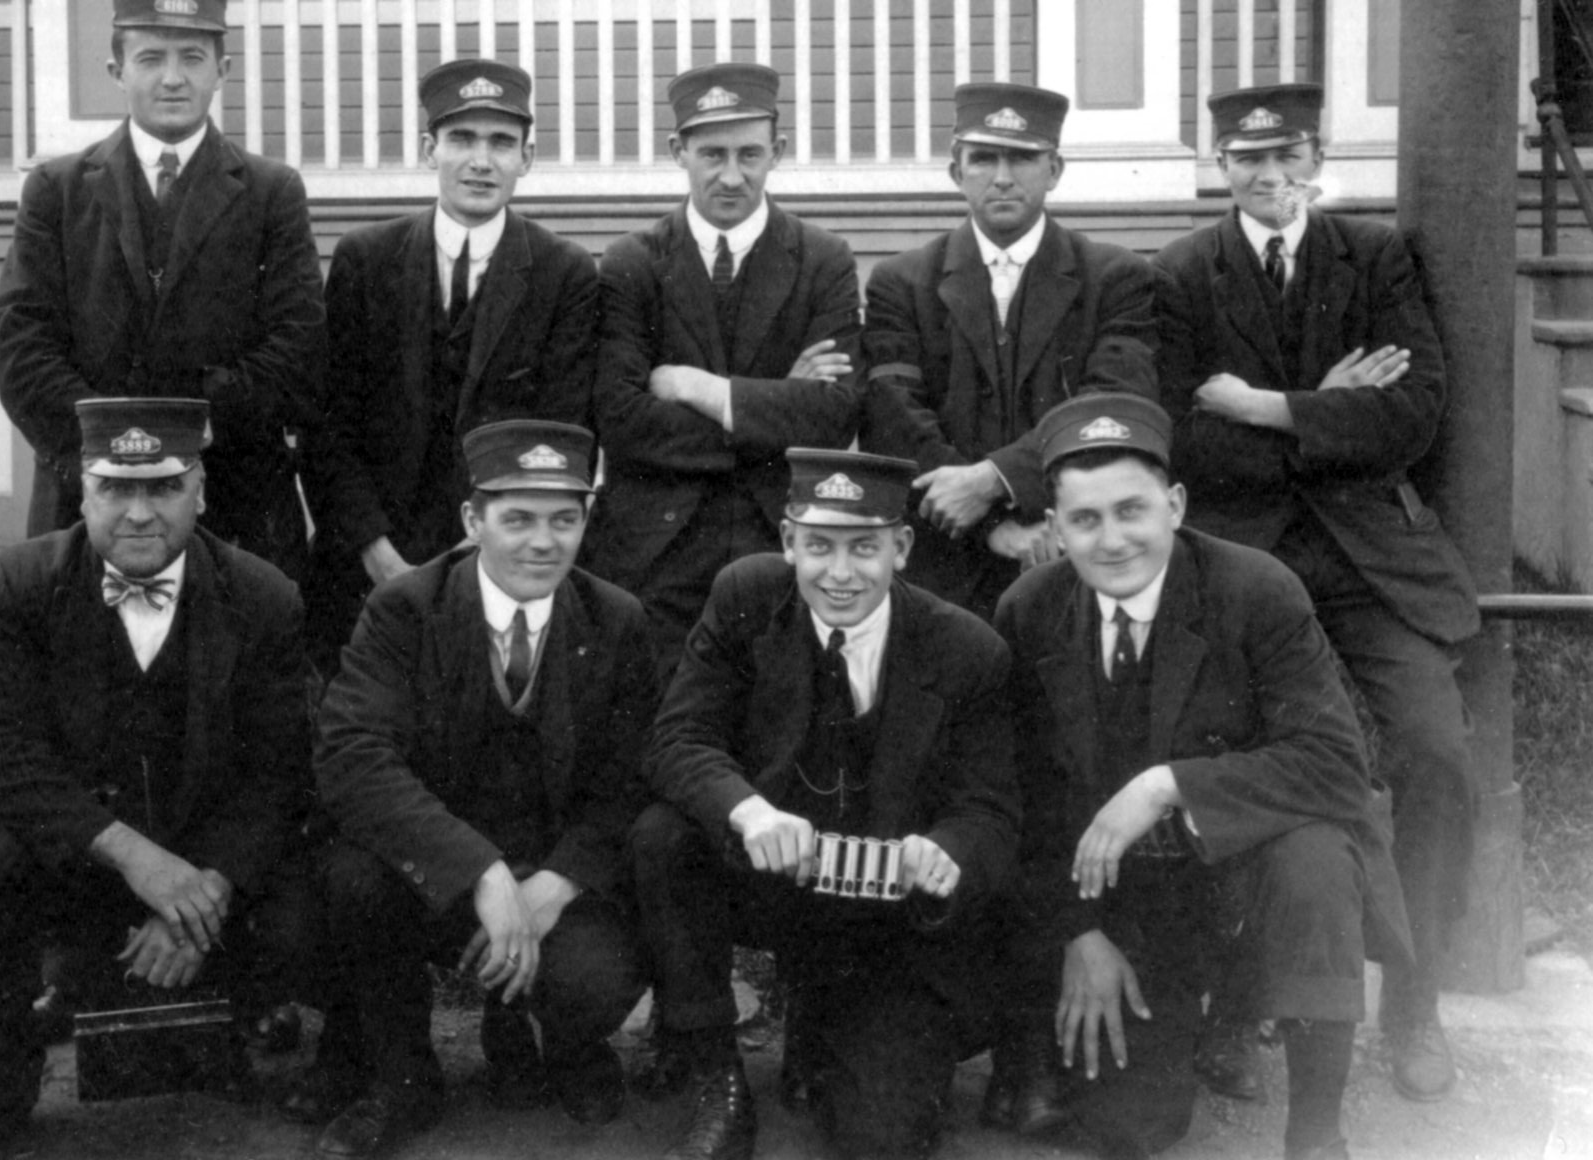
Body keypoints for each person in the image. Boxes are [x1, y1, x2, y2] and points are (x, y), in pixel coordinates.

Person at [1152, 82, 1478, 1103]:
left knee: (1432, 750)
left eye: (1284, 155)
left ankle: (1415, 999)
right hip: (1239, 551)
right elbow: (1178, 439)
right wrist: (1330, 410)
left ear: (1315, 159)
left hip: (1368, 556)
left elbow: (1413, 415)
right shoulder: (1178, 274)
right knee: (1220, 756)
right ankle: (1234, 1000)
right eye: (1243, 158)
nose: (1265, 174)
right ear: (1219, 165)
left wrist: (1269, 407)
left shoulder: (1373, 257)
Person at [993, 394, 1410, 1160]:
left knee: (1315, 857)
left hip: (1240, 881)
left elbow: (1336, 766)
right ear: (1055, 527)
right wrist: (1076, 934)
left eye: (1132, 511)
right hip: (1121, 903)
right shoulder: (1029, 610)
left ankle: (1317, 1134)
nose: (1112, 539)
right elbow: (1019, 799)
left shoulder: (1256, 590)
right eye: (1085, 520)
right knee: (1132, 1128)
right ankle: (1198, 1024)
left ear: (1176, 505)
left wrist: (1165, 783)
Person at [0, 398, 314, 1160]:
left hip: (203, 855)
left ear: (201, 491)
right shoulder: (21, 582)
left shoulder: (264, 596)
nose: (139, 513)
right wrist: (135, 857)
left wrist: (204, 891)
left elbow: (280, 771)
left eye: (163, 489)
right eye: (116, 489)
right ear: (83, 491)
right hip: (69, 851)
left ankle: (251, 1012)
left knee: (311, 901)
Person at [633, 448, 1019, 1160]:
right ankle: (718, 1073)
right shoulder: (746, 595)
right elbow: (677, 740)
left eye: (864, 548)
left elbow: (991, 813)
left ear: (901, 548)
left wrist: (949, 853)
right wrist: (749, 811)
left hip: (882, 915)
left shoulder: (966, 649)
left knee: (885, 1137)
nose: (840, 574)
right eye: (819, 547)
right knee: (665, 837)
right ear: (788, 542)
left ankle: (825, 1024)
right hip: (771, 874)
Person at [308, 420, 656, 1156]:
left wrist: (558, 881)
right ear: (473, 521)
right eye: (518, 519)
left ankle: (564, 1047)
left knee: (594, 980)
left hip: (548, 877)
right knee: (352, 878)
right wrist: (479, 871)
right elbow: (353, 755)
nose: (542, 542)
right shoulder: (406, 607)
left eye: (565, 520)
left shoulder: (616, 619)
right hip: (440, 877)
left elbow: (630, 779)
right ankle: (401, 1078)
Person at [0, 0, 324, 582]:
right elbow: (22, 347)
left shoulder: (273, 192)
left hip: (235, 504)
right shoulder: (55, 190)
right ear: (117, 69)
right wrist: (108, 447)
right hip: (85, 502)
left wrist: (192, 426)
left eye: (193, 56)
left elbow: (297, 346)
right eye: (151, 57)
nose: (173, 77)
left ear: (223, 69)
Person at [304, 58, 599, 662]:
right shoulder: (365, 260)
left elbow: (565, 434)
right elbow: (327, 425)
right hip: (367, 569)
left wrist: (485, 558)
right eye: (461, 139)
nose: (481, 161)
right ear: (427, 149)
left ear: (527, 158)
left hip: (500, 569)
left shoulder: (563, 272)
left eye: (502, 143)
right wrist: (375, 550)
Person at [584, 62, 864, 681]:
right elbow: (623, 420)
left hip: (780, 542)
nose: (731, 176)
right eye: (711, 153)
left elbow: (833, 418)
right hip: (654, 551)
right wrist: (775, 403)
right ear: (677, 151)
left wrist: (698, 388)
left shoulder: (823, 261)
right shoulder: (633, 263)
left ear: (778, 152)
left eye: (750, 154)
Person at [862, 83, 1158, 622]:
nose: (1002, 177)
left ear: (1055, 169)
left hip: (1070, 544)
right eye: (983, 159)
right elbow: (892, 415)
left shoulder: (1115, 277)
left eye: (1022, 158)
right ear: (956, 172)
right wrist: (992, 525)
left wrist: (994, 480)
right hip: (946, 560)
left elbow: (1113, 403)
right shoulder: (900, 282)